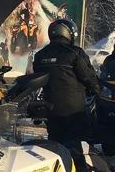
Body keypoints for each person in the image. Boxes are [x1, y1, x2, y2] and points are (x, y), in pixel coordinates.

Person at [31, 18, 98, 156]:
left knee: (55, 145)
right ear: (67, 32)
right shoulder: (75, 52)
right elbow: (89, 77)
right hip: (74, 110)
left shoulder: (40, 56)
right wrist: (98, 91)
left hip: (51, 108)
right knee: (75, 145)